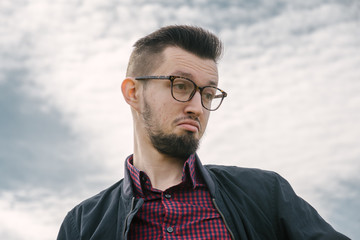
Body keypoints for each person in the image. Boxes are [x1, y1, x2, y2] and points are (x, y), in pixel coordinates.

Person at [57, 25, 350, 240]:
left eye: (208, 93)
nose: (198, 107)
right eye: (181, 86)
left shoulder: (265, 195)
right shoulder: (82, 225)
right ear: (133, 92)